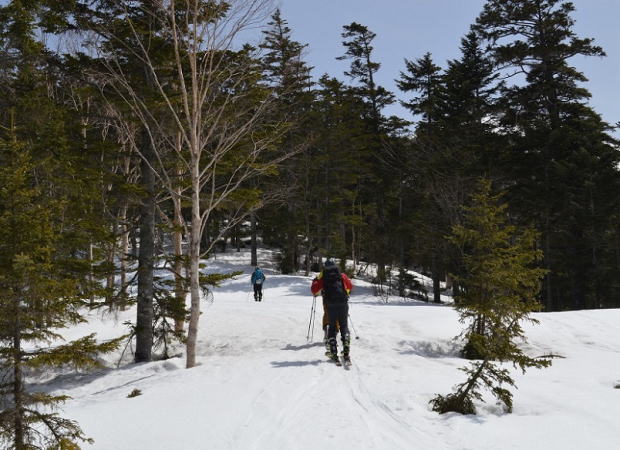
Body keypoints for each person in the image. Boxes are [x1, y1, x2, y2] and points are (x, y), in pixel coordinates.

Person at [311, 259, 353, 363]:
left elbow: (314, 290)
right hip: (343, 303)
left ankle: (333, 352)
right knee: (344, 326)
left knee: (332, 327)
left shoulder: (323, 275)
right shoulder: (341, 275)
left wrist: (316, 280)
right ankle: (346, 350)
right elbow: (350, 286)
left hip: (330, 304)